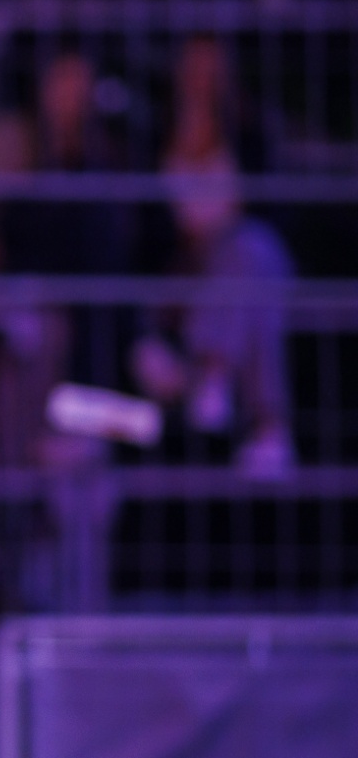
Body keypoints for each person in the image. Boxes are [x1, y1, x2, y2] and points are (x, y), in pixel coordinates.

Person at [132, 36, 295, 476]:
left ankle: (212, 371)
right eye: (193, 66)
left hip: (241, 263)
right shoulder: (152, 135)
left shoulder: (252, 134)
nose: (201, 78)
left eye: (211, 68)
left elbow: (274, 216)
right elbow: (143, 231)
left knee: (249, 253)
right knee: (254, 289)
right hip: (179, 275)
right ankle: (269, 428)